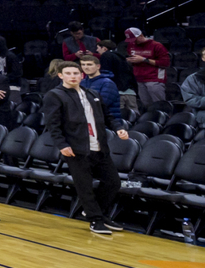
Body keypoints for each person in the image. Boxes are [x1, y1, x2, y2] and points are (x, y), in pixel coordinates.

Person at [44, 61, 128, 237]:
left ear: (81, 75)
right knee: (85, 186)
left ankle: (97, 212)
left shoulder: (92, 93)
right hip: (76, 148)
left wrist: (118, 127)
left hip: (99, 146)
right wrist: (62, 144)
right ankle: (95, 219)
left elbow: (108, 115)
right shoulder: (55, 95)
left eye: (76, 73)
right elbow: (53, 124)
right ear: (61, 76)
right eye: (68, 73)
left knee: (113, 182)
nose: (73, 76)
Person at [124, 28, 171, 108]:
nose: (133, 42)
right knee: (146, 105)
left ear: (141, 35)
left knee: (159, 104)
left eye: (134, 39)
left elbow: (165, 63)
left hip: (154, 79)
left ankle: (164, 118)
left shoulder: (156, 45)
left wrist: (144, 59)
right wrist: (129, 60)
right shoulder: (131, 45)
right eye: (130, 40)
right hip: (139, 79)